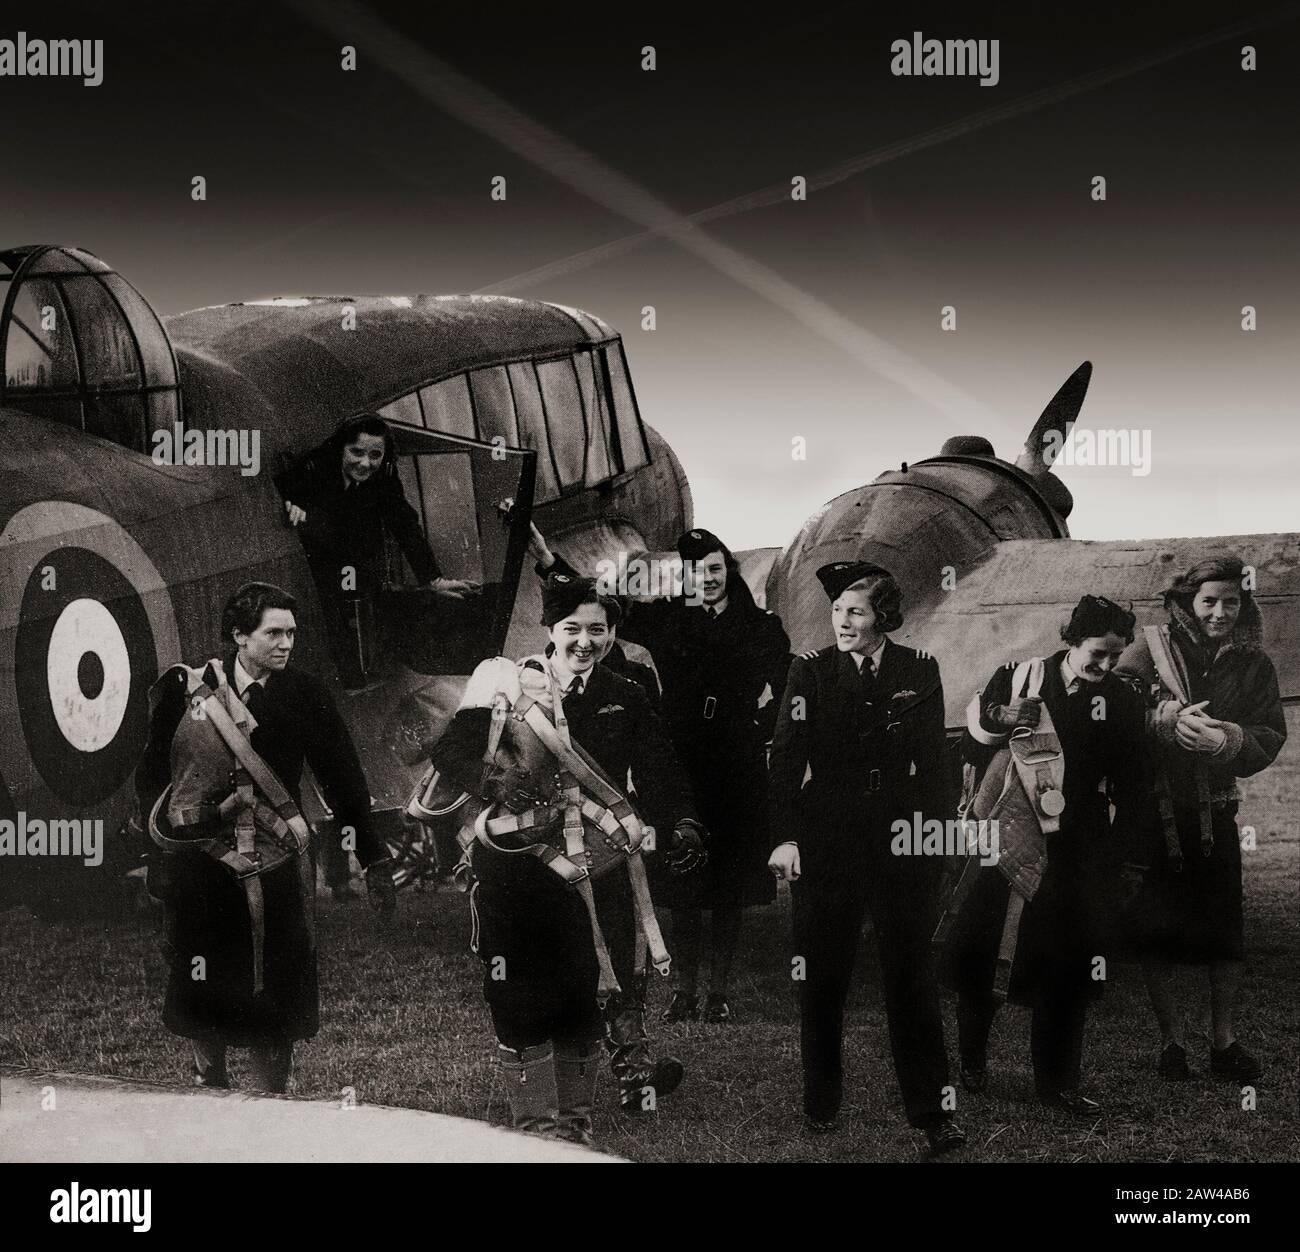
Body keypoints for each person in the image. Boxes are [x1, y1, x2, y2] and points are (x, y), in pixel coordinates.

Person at [424, 572, 705, 1142]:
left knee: (586, 992)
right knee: (519, 992)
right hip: (518, 870)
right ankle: (535, 1130)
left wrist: (682, 820)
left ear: (613, 633)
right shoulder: (509, 690)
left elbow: (659, 765)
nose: (584, 641)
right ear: (550, 628)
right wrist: (496, 783)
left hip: (596, 866)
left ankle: (573, 1133)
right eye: (572, 628)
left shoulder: (625, 694)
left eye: (597, 630)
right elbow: (450, 750)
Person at [136, 582, 396, 1093]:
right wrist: (161, 856)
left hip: (278, 864)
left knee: (274, 992)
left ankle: (269, 1102)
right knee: (201, 983)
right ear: (238, 635)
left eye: (292, 633)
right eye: (272, 632)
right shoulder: (187, 693)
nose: (286, 643)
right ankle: (208, 1082)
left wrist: (374, 857)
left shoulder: (306, 695)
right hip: (204, 864)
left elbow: (343, 779)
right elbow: (151, 780)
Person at [530, 524, 790, 1023]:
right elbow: (595, 601)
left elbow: (786, 683)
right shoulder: (668, 618)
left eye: (715, 568)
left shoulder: (762, 626)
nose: (706, 579)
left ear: (729, 571)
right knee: (683, 872)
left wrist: (761, 725)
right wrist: (547, 562)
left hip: (735, 765)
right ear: (685, 578)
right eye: (695, 572)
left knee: (729, 879)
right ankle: (685, 988)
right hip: (681, 757)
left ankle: (719, 991)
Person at [767, 561, 965, 1153]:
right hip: (827, 832)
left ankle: (933, 1112)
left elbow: (935, 764)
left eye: (856, 612)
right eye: (837, 612)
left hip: (900, 834)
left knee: (910, 976)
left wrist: (939, 837)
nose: (843, 622)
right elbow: (784, 761)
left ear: (884, 616)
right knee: (824, 976)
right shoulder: (811, 672)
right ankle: (822, 1101)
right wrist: (785, 838)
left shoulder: (919, 670)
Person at [937, 594, 1145, 1116]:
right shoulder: (1020, 676)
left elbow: (1132, 784)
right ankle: (972, 1060)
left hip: (1078, 846)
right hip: (1007, 833)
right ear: (1071, 641)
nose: (1105, 666)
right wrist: (1001, 719)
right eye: (1097, 653)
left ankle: (1059, 1083)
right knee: (985, 952)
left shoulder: (1121, 699)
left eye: (1115, 657)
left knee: (1068, 965)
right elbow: (971, 746)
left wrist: (1122, 857)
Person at [1116, 557, 1286, 1082]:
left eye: (1231, 602)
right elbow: (1111, 710)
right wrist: (1159, 721)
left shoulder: (1253, 662)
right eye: (1209, 601)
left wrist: (1228, 740)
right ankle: (1172, 1044)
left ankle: (1224, 1043)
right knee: (1155, 930)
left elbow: (1269, 733)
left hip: (1215, 812)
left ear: (1244, 604)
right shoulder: (1151, 648)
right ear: (1188, 601)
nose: (1220, 612)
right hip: (1154, 811)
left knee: (1224, 933)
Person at [279, 412, 479, 691]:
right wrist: (294, 501)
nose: (365, 463)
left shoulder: (384, 473)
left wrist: (433, 579)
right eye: (356, 452)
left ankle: (364, 670)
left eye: (375, 454)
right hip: (321, 554)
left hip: (353, 551)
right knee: (339, 606)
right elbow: (286, 482)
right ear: (341, 448)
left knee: (360, 598)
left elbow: (404, 524)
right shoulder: (314, 467)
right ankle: (348, 676)